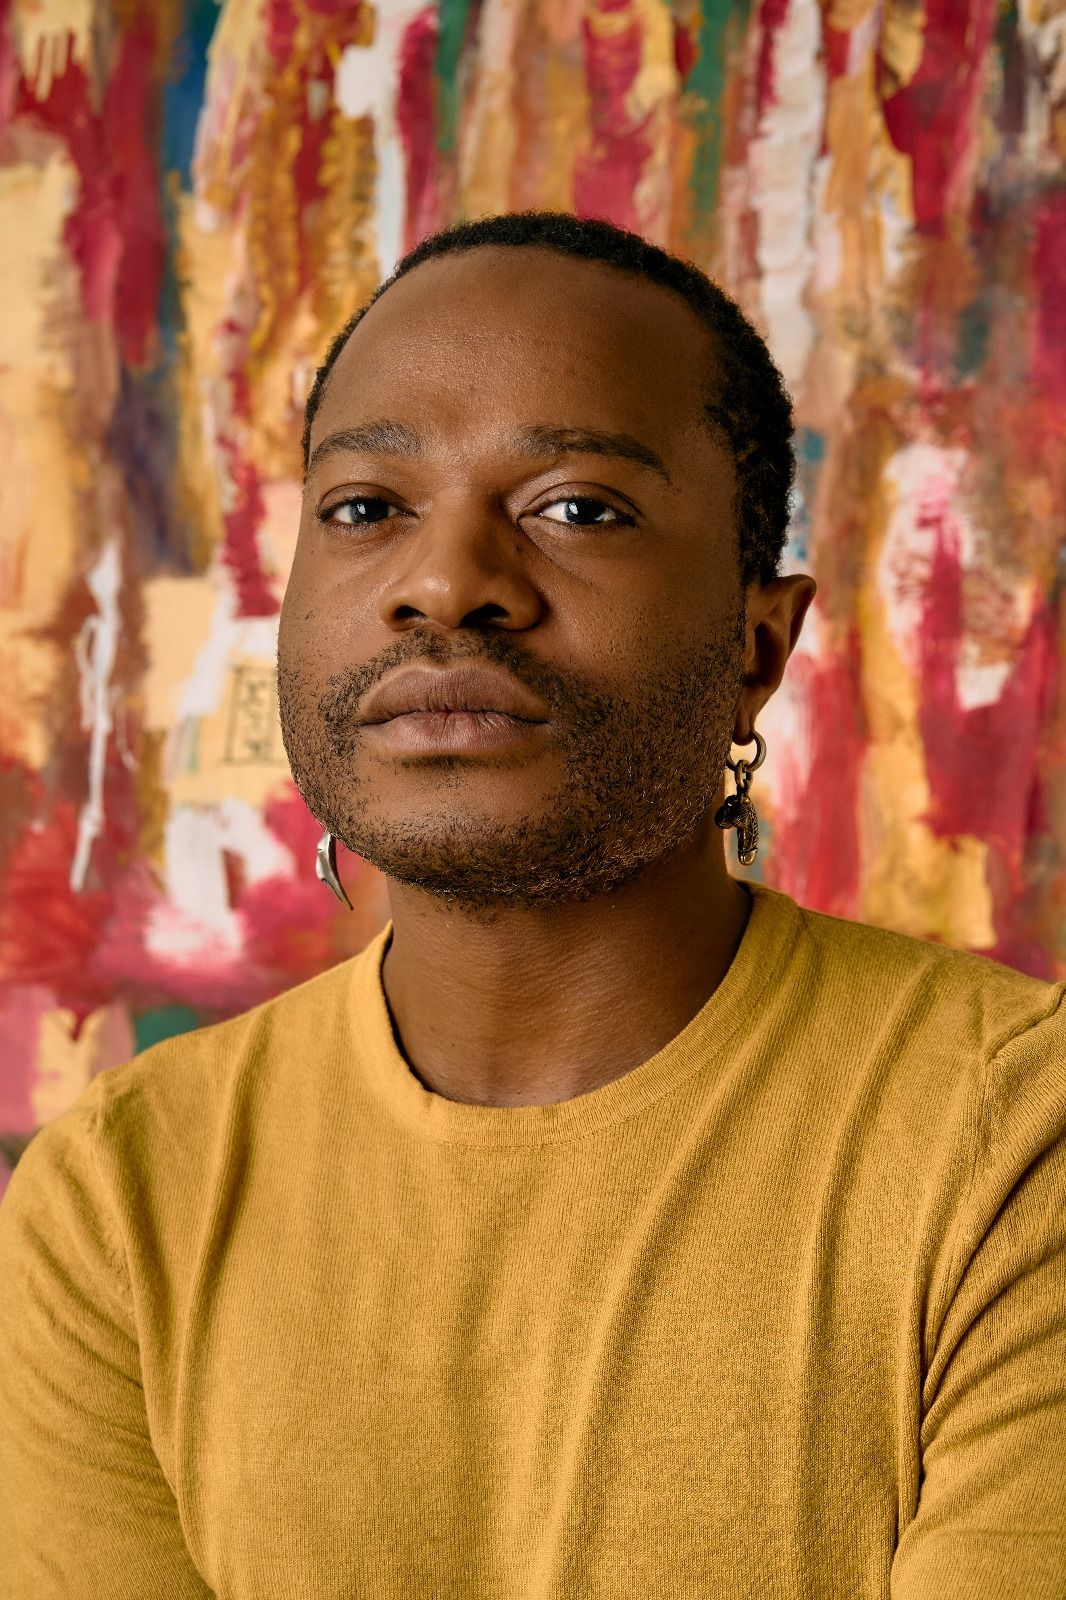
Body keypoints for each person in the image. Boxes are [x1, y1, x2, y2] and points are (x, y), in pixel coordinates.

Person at [1, 211, 1064, 1599]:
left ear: (756, 646)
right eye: (365, 509)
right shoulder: (120, 1199)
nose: (445, 584)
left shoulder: (1012, 1140)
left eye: (578, 509)